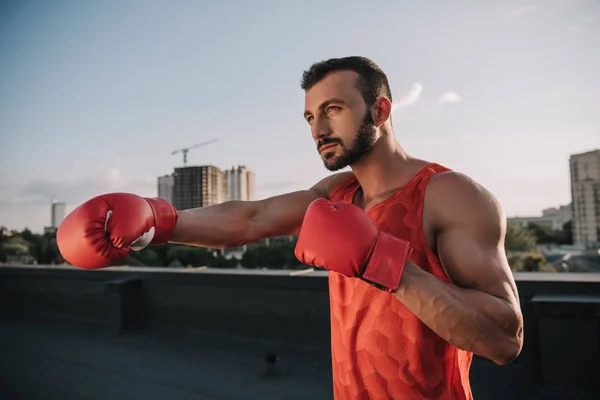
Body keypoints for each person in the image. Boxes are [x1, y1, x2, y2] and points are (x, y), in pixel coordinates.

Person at [57, 56, 524, 400]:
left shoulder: (449, 194)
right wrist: (157, 222)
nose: (318, 128)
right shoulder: (337, 195)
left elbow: (505, 340)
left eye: (334, 109)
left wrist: (387, 263)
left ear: (380, 112)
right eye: (309, 116)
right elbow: (251, 219)